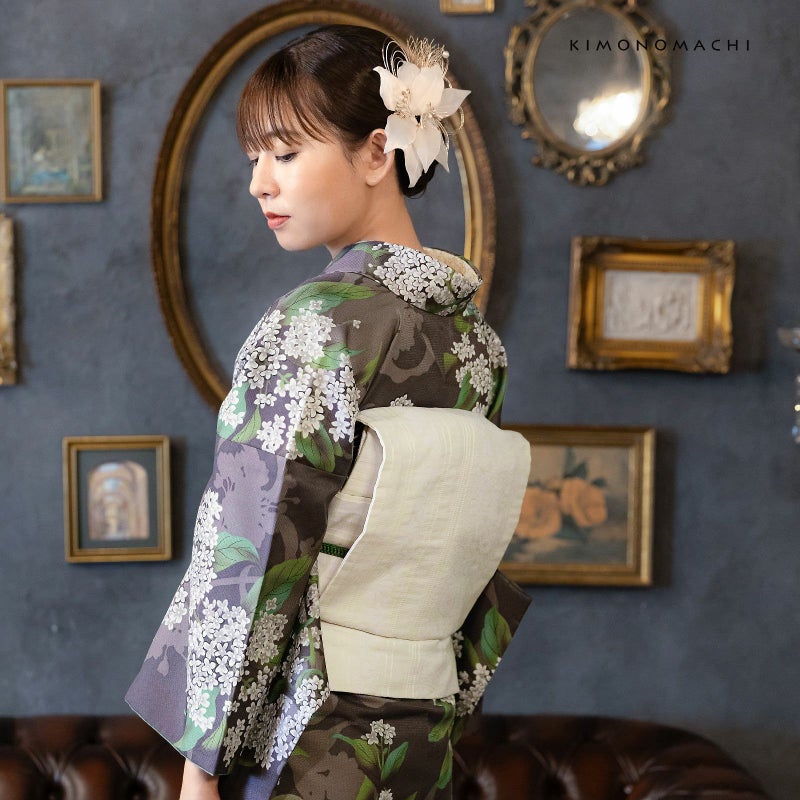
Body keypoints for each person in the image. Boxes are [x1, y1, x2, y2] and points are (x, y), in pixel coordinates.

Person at [126, 25, 531, 800]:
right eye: (254, 159)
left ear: (377, 153)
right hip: (421, 728)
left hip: (303, 732)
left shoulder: (315, 324)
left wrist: (198, 769)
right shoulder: (477, 340)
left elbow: (252, 546)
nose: (260, 184)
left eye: (284, 153)